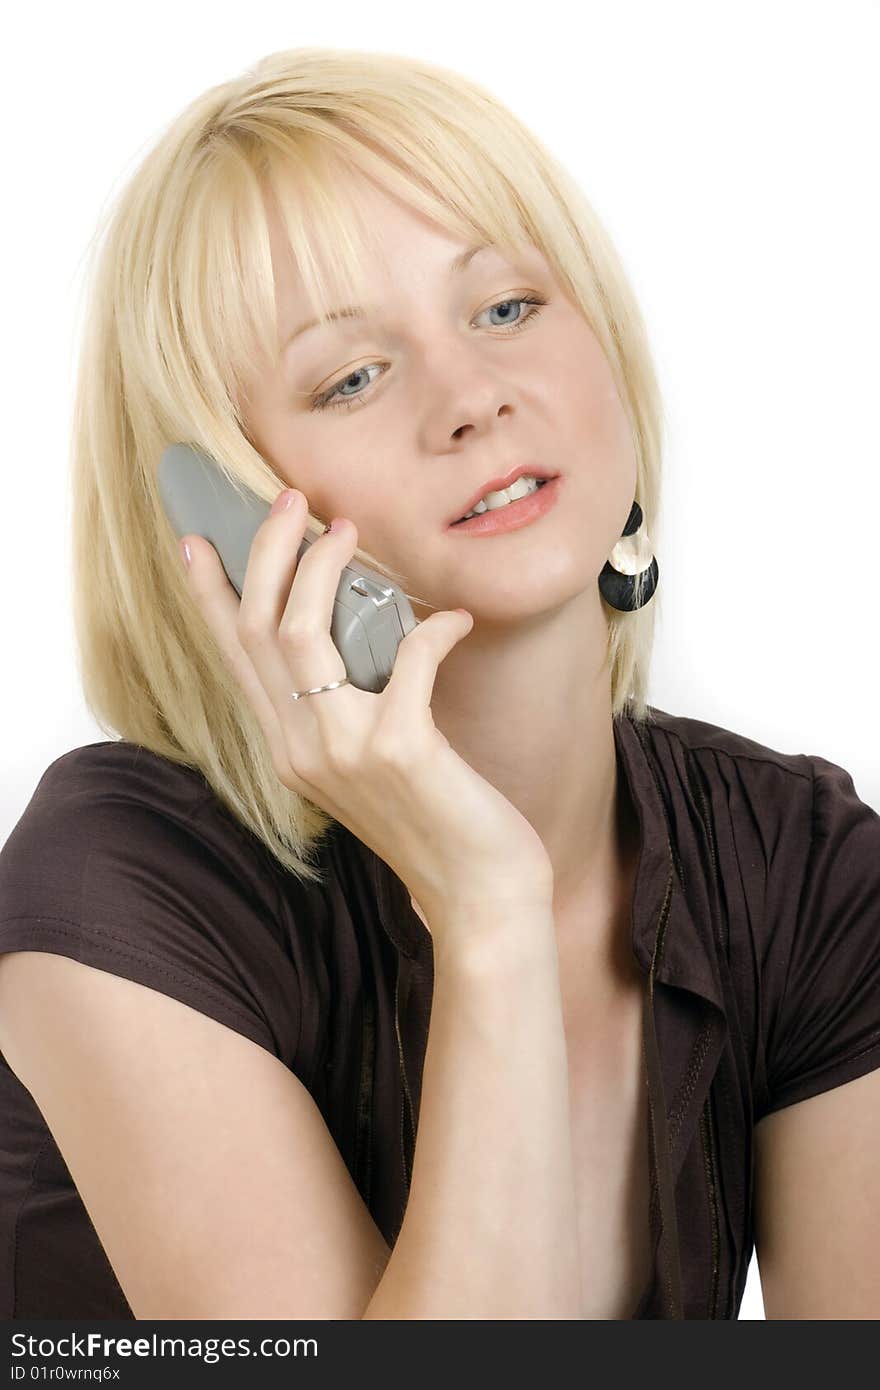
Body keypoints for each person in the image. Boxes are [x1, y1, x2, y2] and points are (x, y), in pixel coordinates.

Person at [0, 46, 878, 1321]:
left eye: (507, 308)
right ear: (229, 518)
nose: (473, 397)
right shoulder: (117, 880)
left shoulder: (799, 867)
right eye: (350, 376)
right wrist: (488, 907)